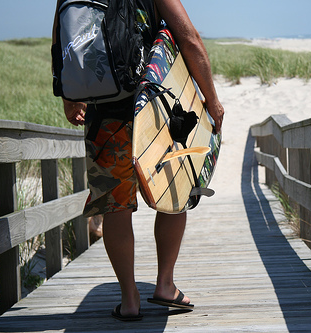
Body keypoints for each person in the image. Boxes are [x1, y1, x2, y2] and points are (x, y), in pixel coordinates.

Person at [56, 0, 224, 321]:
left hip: (104, 114)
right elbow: (188, 38)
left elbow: (64, 42)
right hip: (155, 106)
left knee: (115, 205)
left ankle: (129, 299)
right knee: (174, 188)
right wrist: (212, 101)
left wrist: (69, 96)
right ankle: (165, 284)